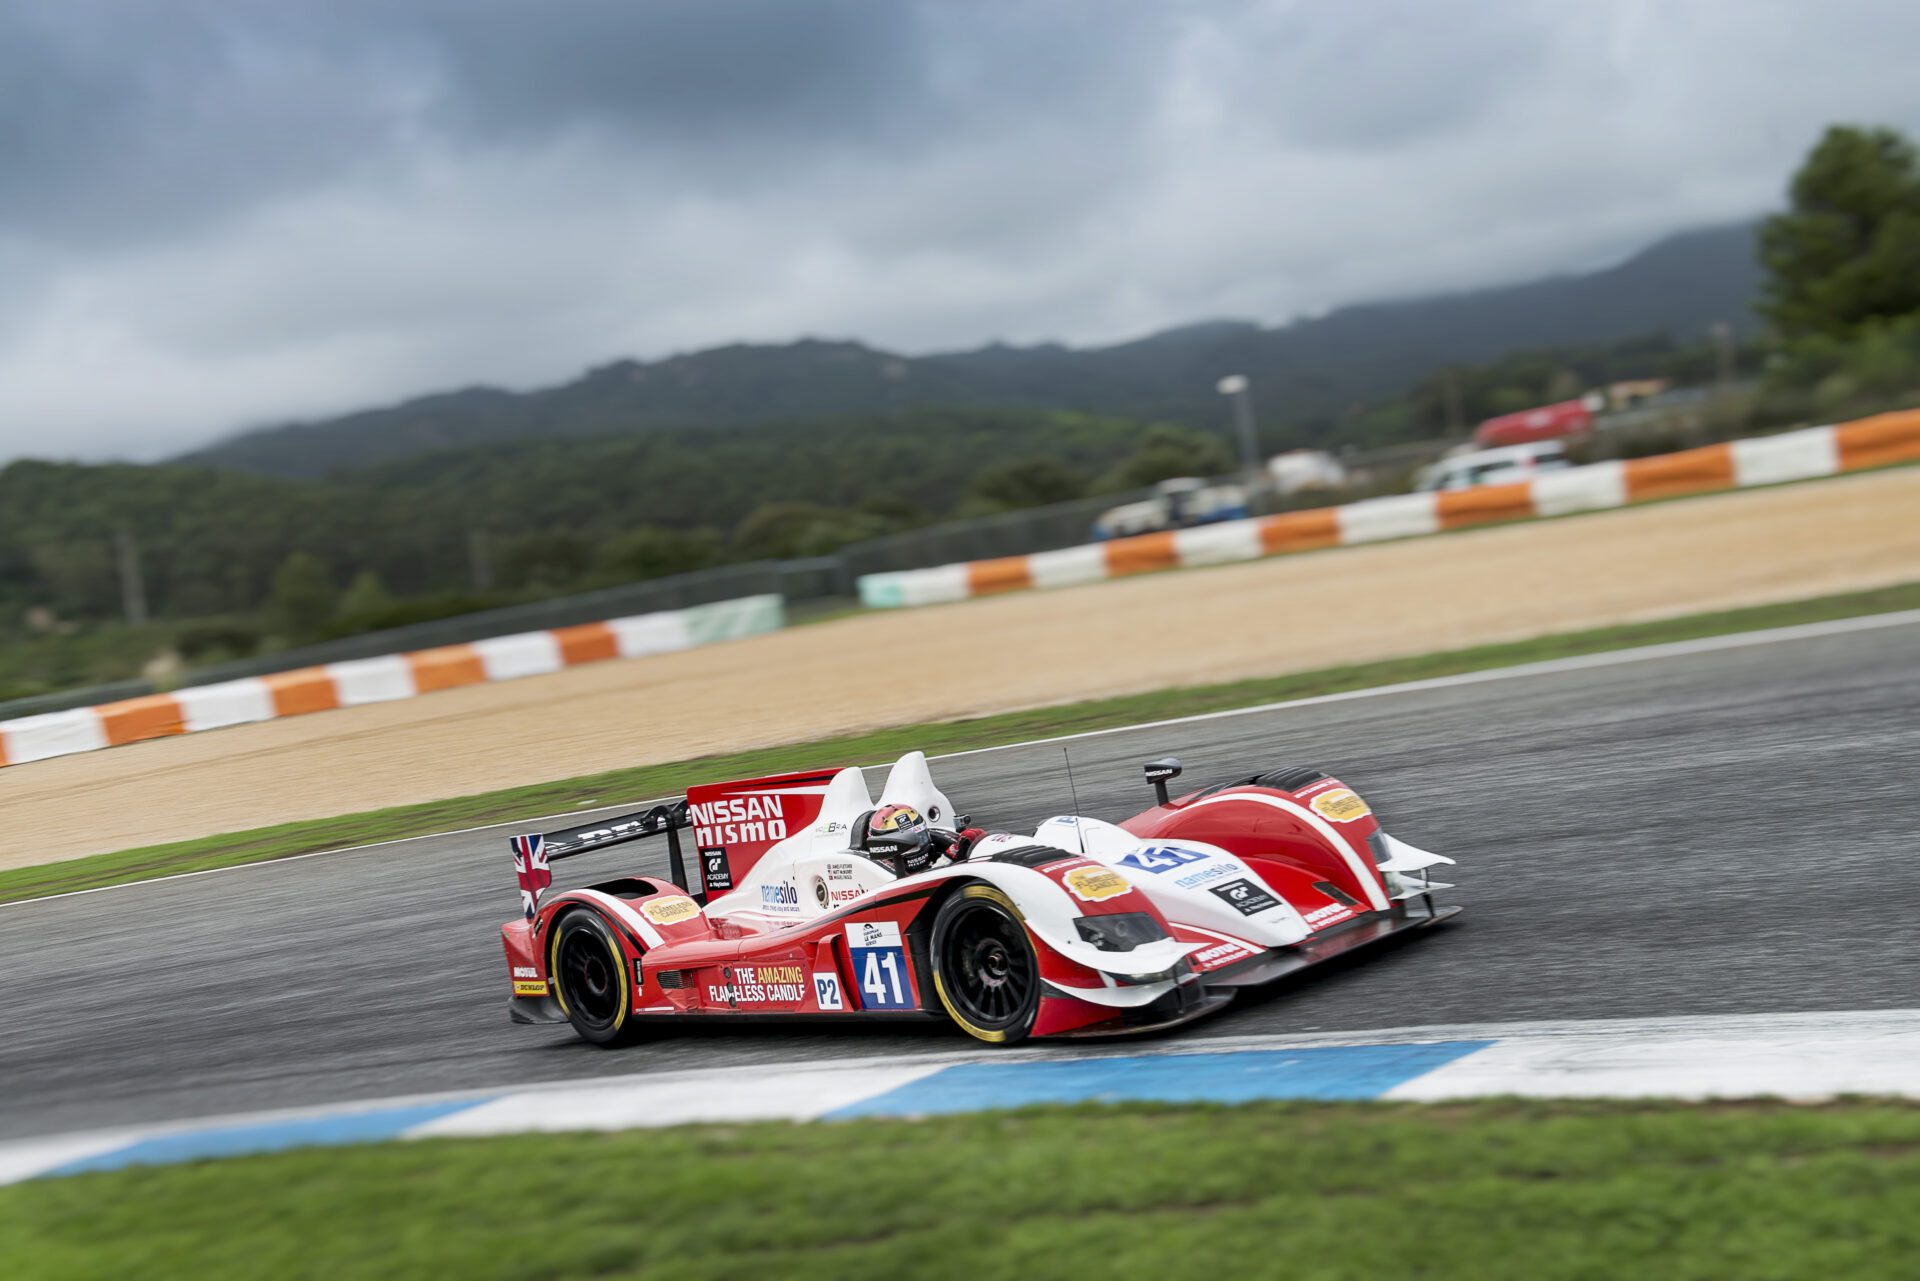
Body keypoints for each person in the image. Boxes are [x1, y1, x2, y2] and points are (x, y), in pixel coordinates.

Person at [860, 804, 984, 876]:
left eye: (921, 837)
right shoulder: (872, 872)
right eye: (910, 843)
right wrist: (950, 856)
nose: (919, 845)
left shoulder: (932, 855)